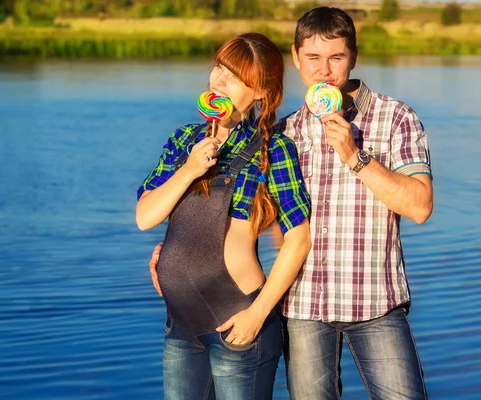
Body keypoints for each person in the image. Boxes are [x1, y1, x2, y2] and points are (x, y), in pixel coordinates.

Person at [150, 7, 433, 399]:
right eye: (313, 59)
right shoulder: (282, 133)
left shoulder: (395, 117)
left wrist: (355, 156)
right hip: (302, 307)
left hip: (375, 301)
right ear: (296, 58)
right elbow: (260, 222)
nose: (325, 71)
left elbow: (419, 206)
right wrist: (179, 253)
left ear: (353, 56)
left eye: (336, 58)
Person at [136, 32, 311, 400]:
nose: (219, 80)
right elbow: (145, 217)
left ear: (261, 92)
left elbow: (299, 238)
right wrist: (189, 169)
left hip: (239, 322)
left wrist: (258, 314)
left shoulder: (273, 150)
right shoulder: (184, 140)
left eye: (234, 76)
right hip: (182, 327)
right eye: (219, 68)